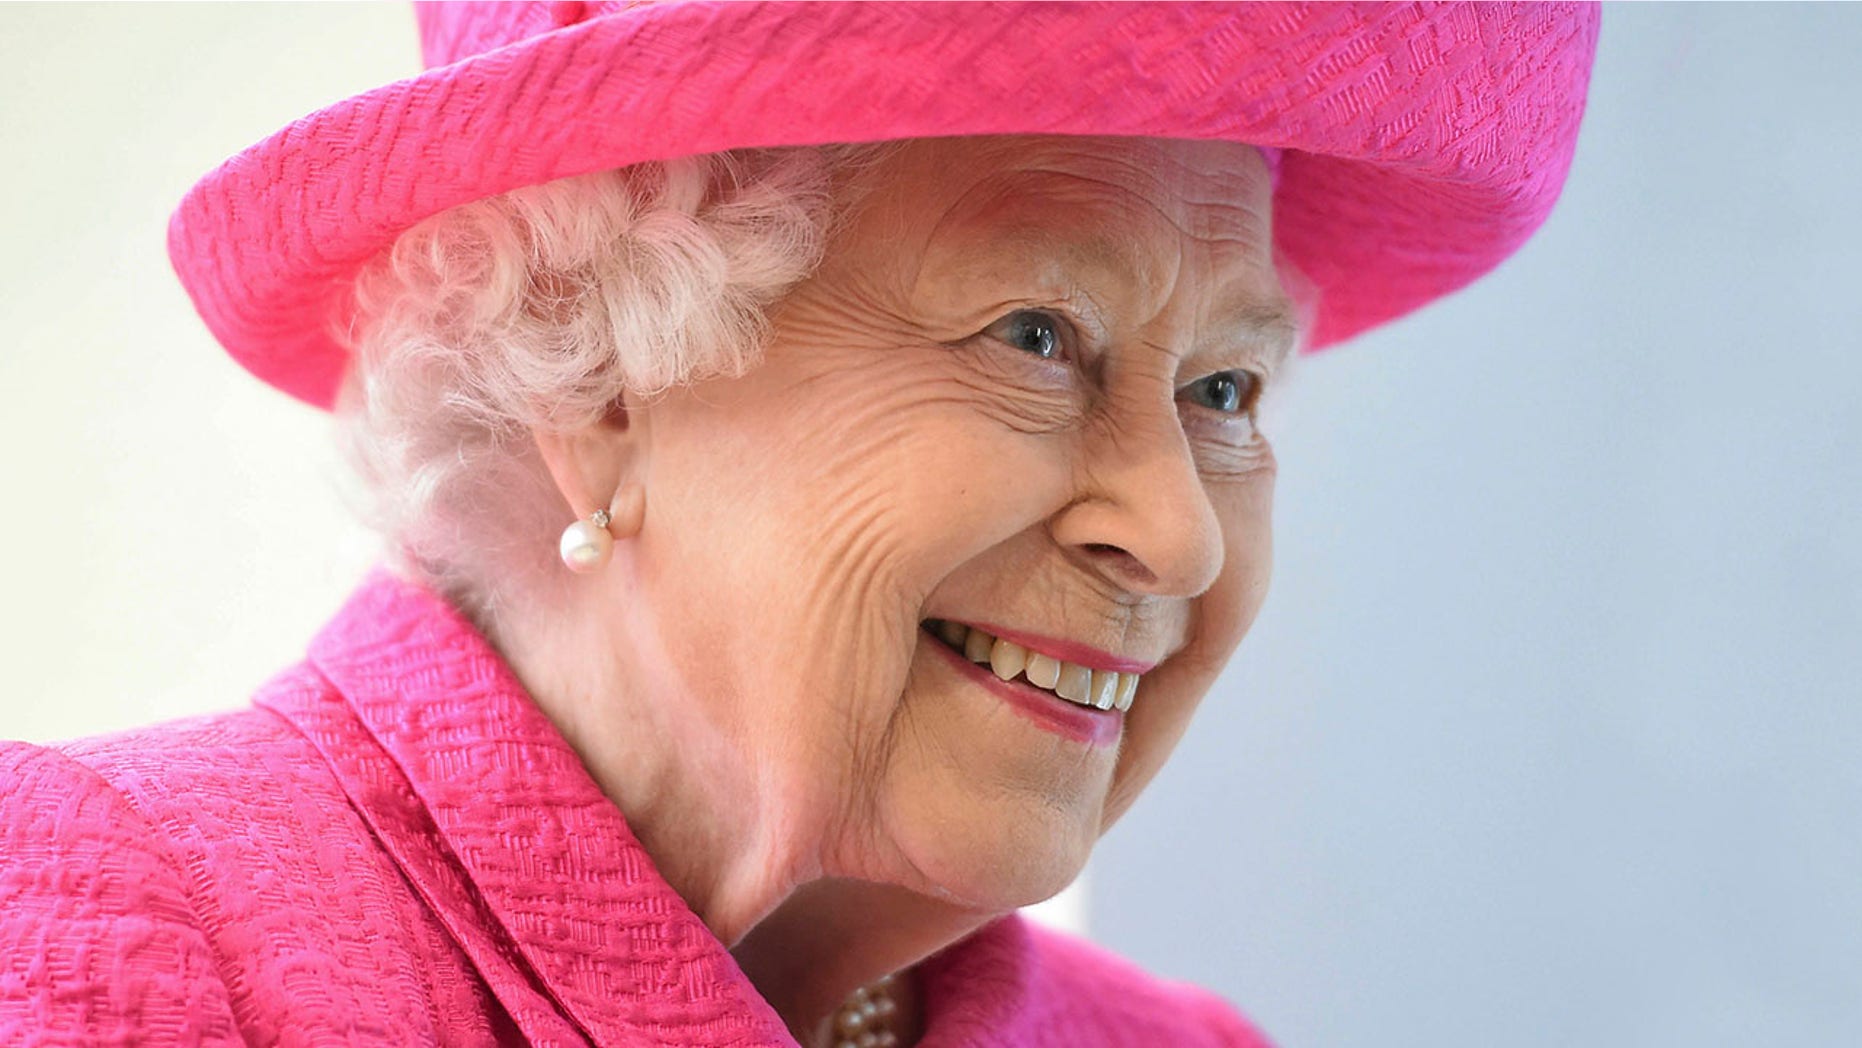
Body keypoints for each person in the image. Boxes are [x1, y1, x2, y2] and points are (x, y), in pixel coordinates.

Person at [0, 3, 1599, 1045]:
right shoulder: (113, 926)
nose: (1173, 536)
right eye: (1036, 336)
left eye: (1227, 392)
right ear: (605, 376)